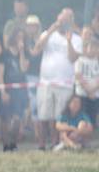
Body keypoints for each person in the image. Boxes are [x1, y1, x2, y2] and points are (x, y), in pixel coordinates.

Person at [33, 8, 83, 149]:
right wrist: (52, 29)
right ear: (58, 18)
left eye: (67, 19)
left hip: (64, 83)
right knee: (43, 116)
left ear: (71, 21)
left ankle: (55, 144)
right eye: (62, 19)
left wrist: (69, 41)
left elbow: (73, 58)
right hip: (45, 82)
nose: (63, 22)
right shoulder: (49, 34)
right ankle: (42, 145)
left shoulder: (76, 39)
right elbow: (37, 48)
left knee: (58, 117)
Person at [0, 26, 29, 150]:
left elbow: (23, 69)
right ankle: (6, 144)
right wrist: (3, 92)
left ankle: (13, 142)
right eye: (18, 36)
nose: (20, 39)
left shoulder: (24, 52)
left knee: (17, 118)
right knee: (5, 118)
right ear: (13, 37)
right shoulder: (4, 53)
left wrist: (21, 52)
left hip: (19, 91)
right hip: (7, 89)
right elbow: (0, 74)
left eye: (22, 37)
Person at [75, 38, 99, 124]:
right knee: (82, 118)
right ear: (86, 48)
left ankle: (91, 136)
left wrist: (93, 91)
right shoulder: (80, 60)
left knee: (92, 118)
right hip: (82, 94)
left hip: (95, 95)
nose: (93, 49)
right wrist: (88, 91)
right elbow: (78, 76)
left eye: (96, 47)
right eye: (91, 46)